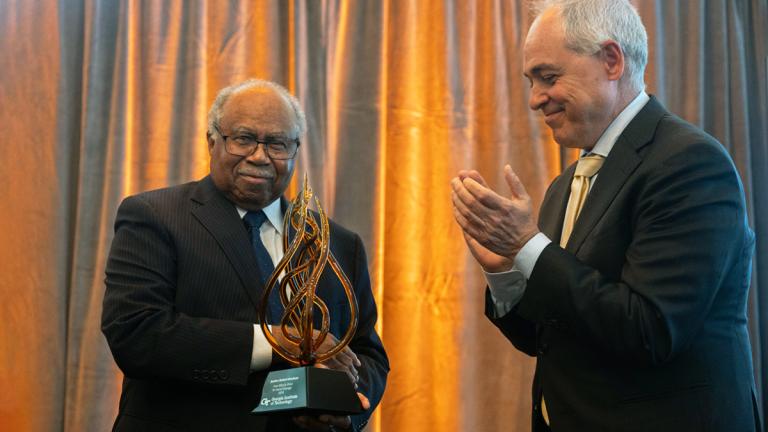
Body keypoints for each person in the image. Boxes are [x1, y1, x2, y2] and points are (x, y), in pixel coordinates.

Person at [451, 0, 760, 430]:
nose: (535, 99)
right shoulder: (565, 186)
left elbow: (649, 331)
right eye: (531, 80)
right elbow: (551, 338)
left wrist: (529, 247)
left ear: (612, 61)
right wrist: (508, 270)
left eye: (548, 77)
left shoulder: (690, 163)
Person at [102, 78, 389, 432]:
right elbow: (136, 334)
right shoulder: (154, 215)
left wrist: (349, 411)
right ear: (212, 141)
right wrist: (274, 340)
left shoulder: (339, 243)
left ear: (295, 151)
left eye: (277, 144)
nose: (259, 156)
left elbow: (368, 355)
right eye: (243, 138)